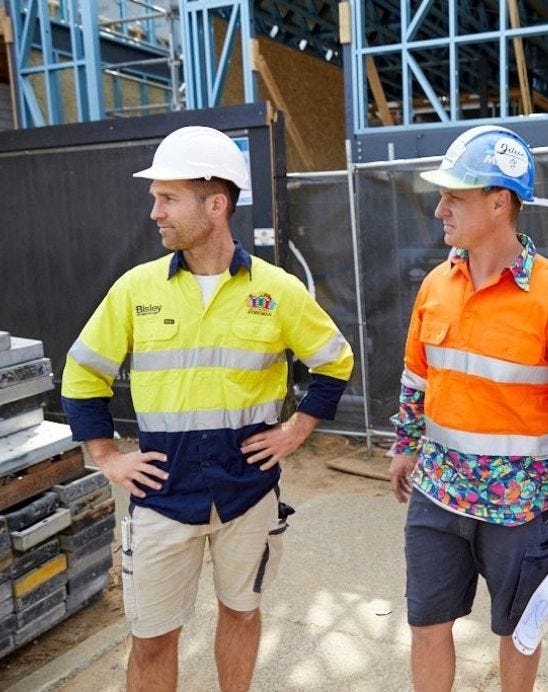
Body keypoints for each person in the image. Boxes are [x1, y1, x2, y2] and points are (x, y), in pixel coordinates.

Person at [61, 126, 354, 692]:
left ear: (214, 204)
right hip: (162, 494)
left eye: (167, 198)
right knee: (150, 639)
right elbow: (82, 372)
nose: (155, 213)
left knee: (241, 613)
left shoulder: (276, 289)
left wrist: (296, 431)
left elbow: (334, 362)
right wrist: (105, 454)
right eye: (156, 198)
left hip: (246, 491)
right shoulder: (135, 290)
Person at [388, 125, 548, 691]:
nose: (440, 209)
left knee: (520, 633)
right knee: (426, 623)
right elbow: (417, 378)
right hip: (438, 494)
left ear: (499, 203)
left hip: (523, 509)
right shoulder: (436, 286)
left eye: (455, 197)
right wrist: (404, 447)